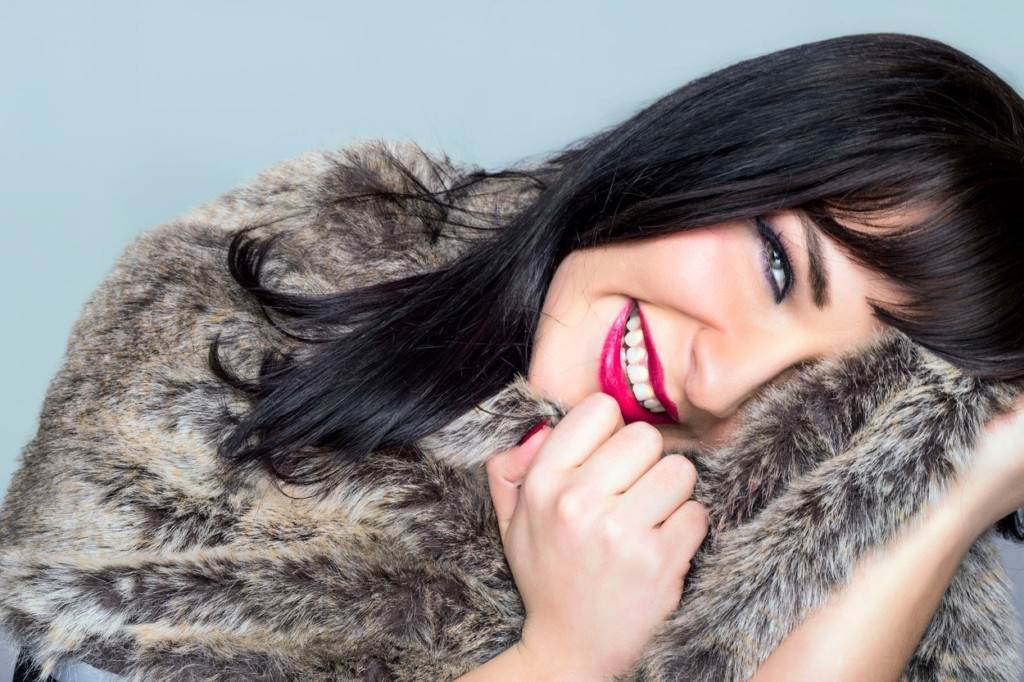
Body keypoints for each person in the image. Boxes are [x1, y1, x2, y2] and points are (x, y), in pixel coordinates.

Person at [199, 32, 1024, 680]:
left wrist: (949, 495)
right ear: (721, 151)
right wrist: (564, 657)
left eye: (821, 391)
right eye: (777, 269)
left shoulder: (852, 615)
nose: (720, 385)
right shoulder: (300, 264)